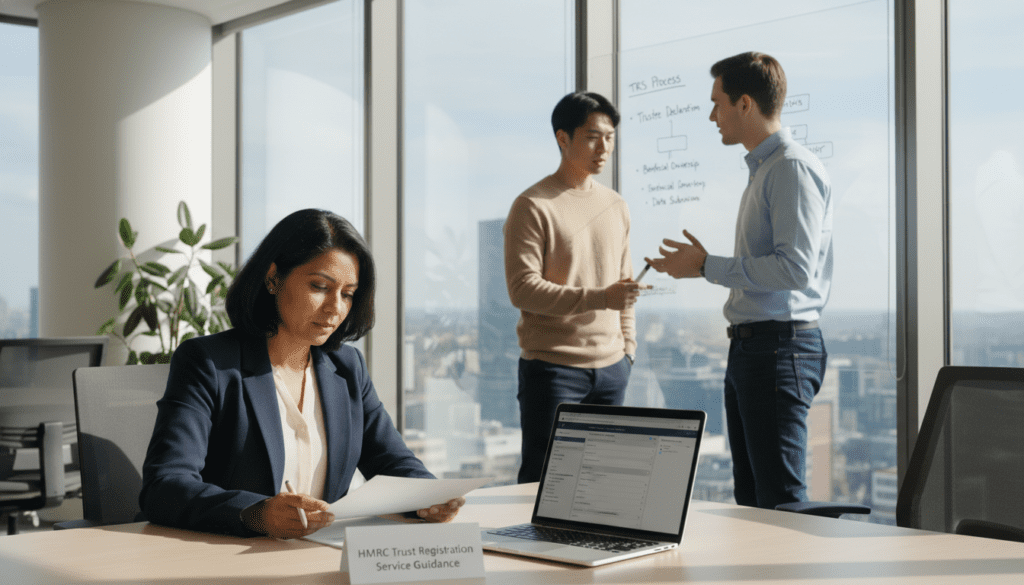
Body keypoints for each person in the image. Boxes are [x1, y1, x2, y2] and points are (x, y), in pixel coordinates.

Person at [141, 209, 463, 538]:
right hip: (230, 561)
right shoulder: (209, 363)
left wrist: (430, 498)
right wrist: (256, 514)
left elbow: (393, 462)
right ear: (273, 278)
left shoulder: (347, 368)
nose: (335, 307)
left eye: (347, 294)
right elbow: (164, 486)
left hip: (324, 557)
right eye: (320, 286)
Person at [645, 52, 833, 509]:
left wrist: (708, 266)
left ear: (744, 103)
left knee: (781, 504)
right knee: (752, 502)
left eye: (717, 103)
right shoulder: (765, 170)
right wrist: (702, 265)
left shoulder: (789, 168)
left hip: (777, 350)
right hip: (755, 349)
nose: (712, 116)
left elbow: (794, 269)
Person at [504, 91, 644, 484]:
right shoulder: (533, 205)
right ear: (562, 138)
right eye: (592, 137)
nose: (604, 148)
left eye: (610, 137)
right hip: (553, 370)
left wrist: (627, 351)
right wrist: (600, 298)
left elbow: (625, 288)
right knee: (544, 483)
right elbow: (523, 289)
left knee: (601, 484)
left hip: (612, 368)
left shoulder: (615, 205)